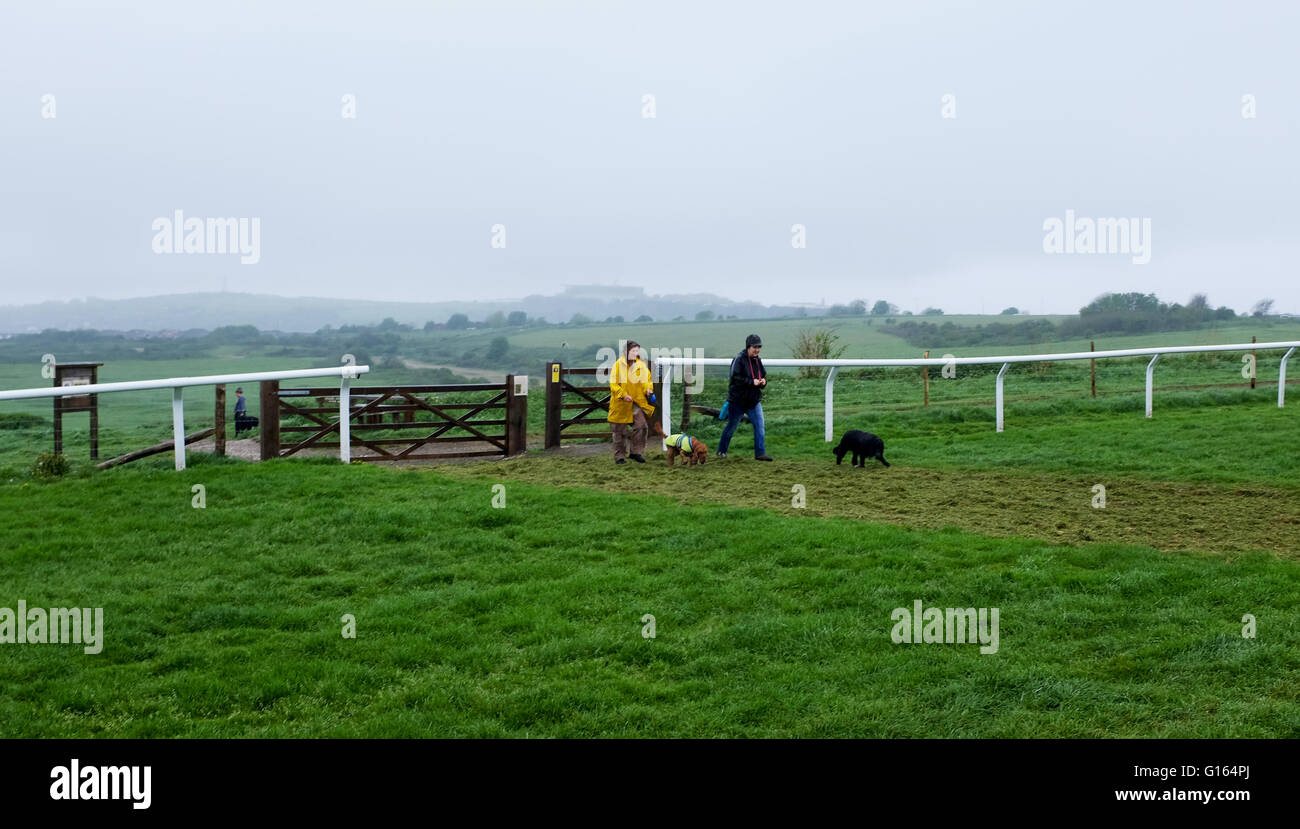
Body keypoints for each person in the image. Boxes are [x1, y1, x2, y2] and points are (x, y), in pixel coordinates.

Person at [717, 334, 771, 461]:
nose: (757, 350)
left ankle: (760, 453)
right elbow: (735, 378)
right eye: (755, 347)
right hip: (737, 402)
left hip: (753, 401)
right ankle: (721, 451)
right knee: (731, 427)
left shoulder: (758, 360)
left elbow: (762, 375)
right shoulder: (739, 359)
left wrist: (763, 382)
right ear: (748, 347)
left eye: (759, 347)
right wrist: (751, 382)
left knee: (760, 426)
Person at [607, 340, 655, 464]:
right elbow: (613, 384)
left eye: (637, 351)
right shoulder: (618, 365)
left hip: (636, 402)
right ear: (626, 351)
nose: (635, 353)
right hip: (621, 403)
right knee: (619, 431)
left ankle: (636, 452)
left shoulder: (641, 365)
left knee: (641, 426)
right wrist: (623, 395)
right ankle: (620, 456)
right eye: (633, 350)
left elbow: (646, 381)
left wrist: (648, 389)